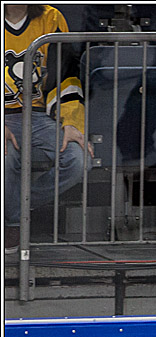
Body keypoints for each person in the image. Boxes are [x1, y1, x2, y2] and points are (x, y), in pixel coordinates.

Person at [4, 4, 91, 253]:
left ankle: (15, 206)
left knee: (78, 160)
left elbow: (65, 75)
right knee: (6, 158)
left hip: (39, 116)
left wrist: (71, 122)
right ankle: (13, 224)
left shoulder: (51, 18)